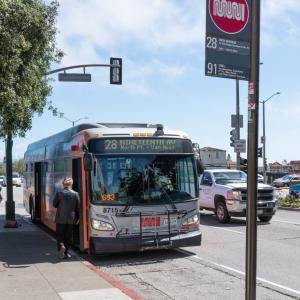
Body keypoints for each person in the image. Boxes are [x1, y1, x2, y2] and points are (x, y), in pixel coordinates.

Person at [53, 177, 79, 259]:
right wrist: (77, 219)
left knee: (59, 235)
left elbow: (54, 205)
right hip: (71, 219)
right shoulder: (75, 194)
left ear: (63, 184)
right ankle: (66, 253)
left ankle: (61, 246)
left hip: (60, 218)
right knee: (68, 236)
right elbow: (78, 208)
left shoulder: (59, 193)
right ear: (71, 184)